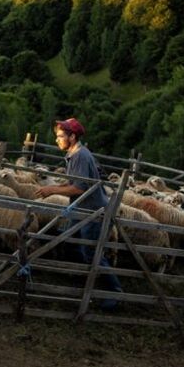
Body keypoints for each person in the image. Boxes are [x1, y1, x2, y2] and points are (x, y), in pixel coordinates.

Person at [35, 118, 122, 310]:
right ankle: (81, 278)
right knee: (71, 241)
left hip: (93, 211)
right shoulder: (73, 155)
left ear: (72, 137)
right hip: (81, 209)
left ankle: (114, 292)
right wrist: (55, 186)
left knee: (92, 251)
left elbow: (79, 188)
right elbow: (72, 182)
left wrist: (52, 191)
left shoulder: (81, 156)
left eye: (60, 136)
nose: (57, 140)